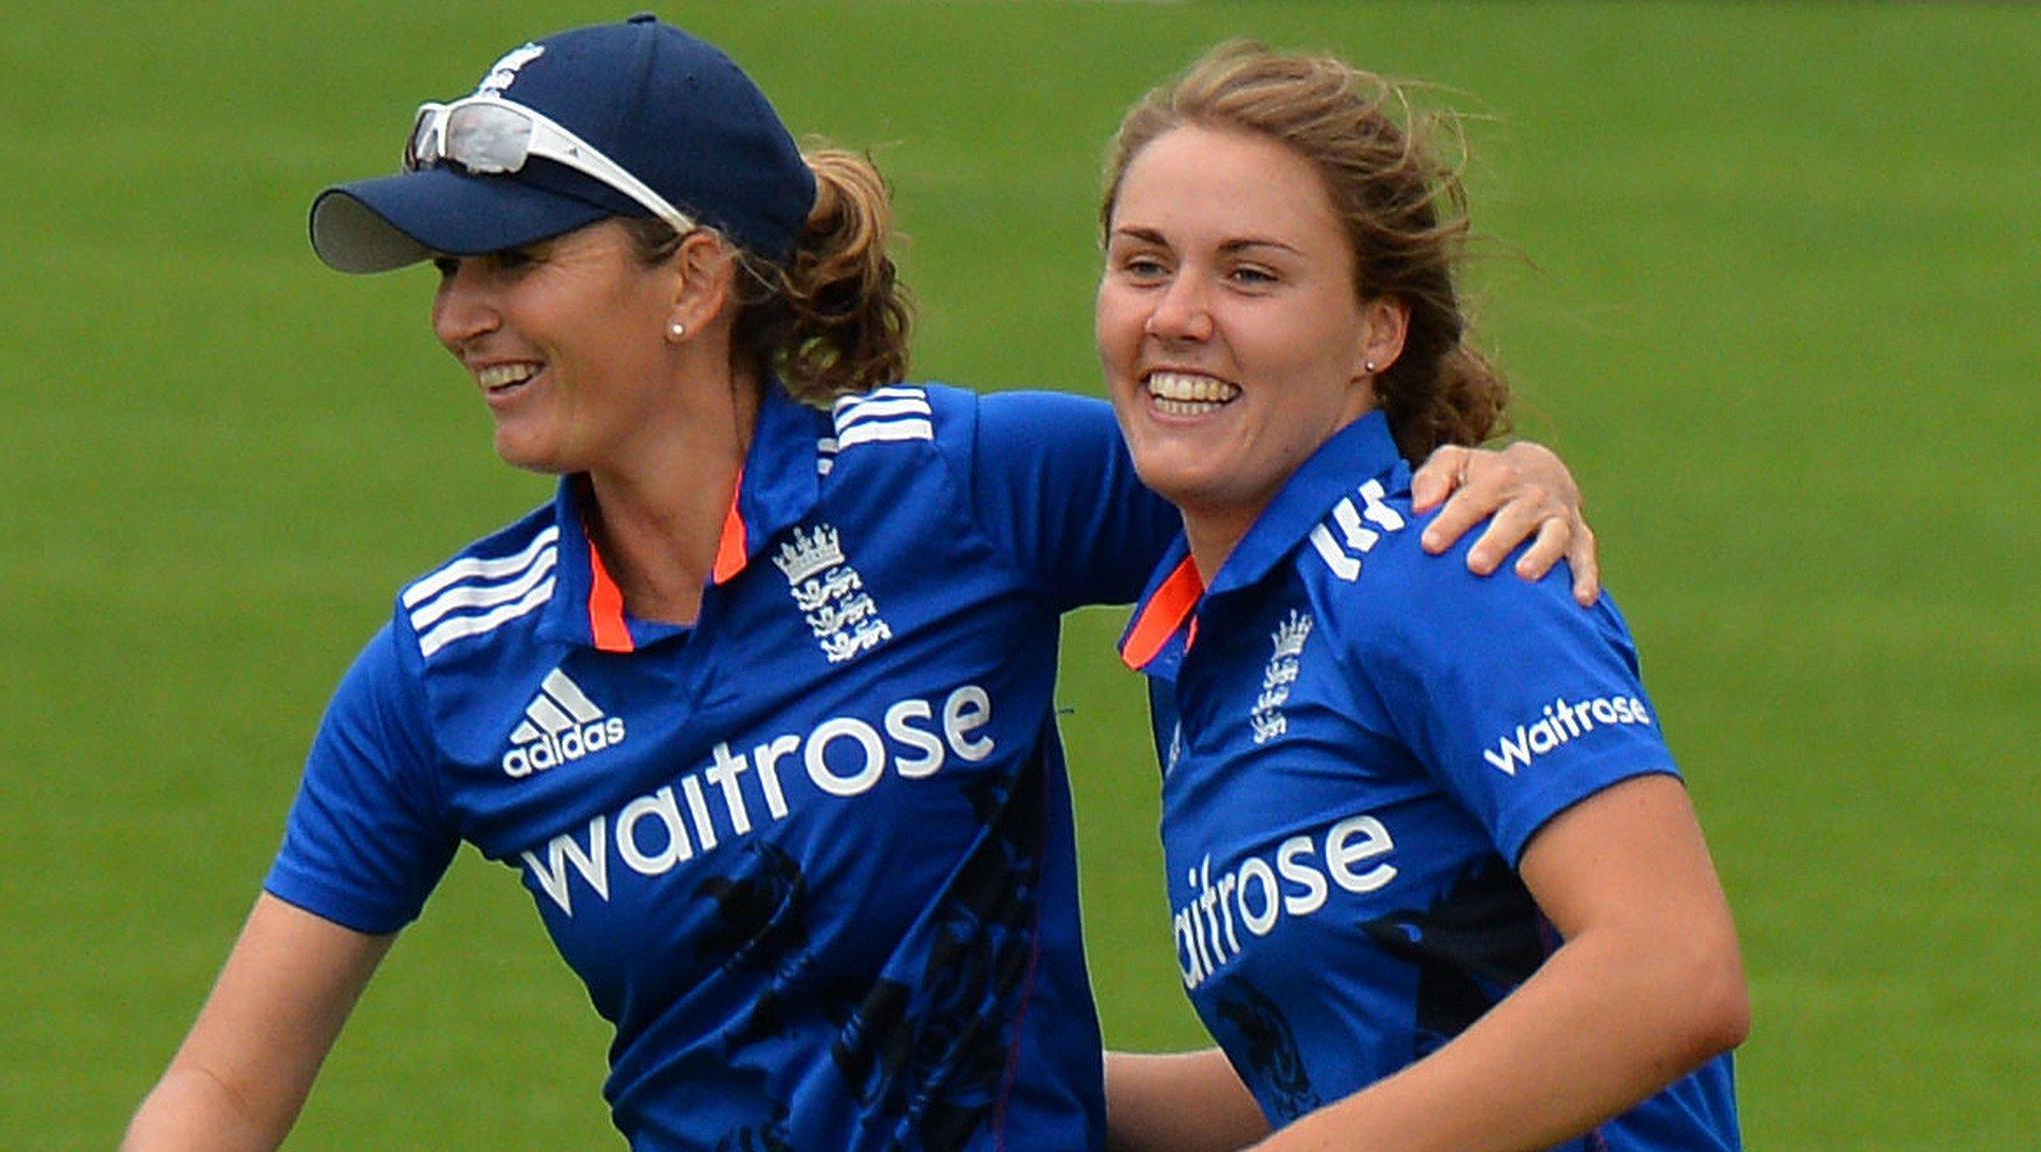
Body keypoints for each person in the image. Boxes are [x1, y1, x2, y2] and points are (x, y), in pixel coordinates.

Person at [120, 18, 1598, 1152]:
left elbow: (1299, 492)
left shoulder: (967, 484)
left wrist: (1506, 473)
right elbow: (222, 1083)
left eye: (509, 260)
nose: (458, 318)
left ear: (693, 280)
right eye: (444, 275)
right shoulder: (443, 670)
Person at [1096, 43, 1748, 1152]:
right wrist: (991, 1078)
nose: (1177, 315)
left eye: (1249, 274)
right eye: (1144, 264)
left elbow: (1669, 971)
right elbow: (1368, 1061)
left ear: (1375, 332)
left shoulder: (1443, 567)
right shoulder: (1224, 639)